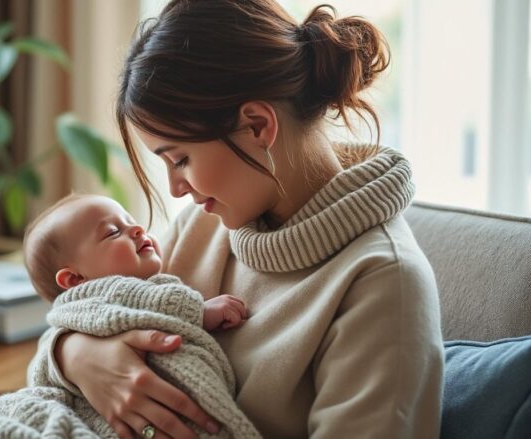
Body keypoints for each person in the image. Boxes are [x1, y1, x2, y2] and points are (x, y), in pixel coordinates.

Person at [30, 1, 444, 438]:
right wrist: (72, 355)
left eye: (181, 159)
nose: (176, 189)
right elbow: (96, 309)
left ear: (257, 125)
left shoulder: (382, 283)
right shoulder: (203, 226)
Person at [23, 193, 249, 332]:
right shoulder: (102, 302)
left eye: (131, 221)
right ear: (76, 279)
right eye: (112, 232)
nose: (138, 229)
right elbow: (151, 305)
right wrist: (201, 312)